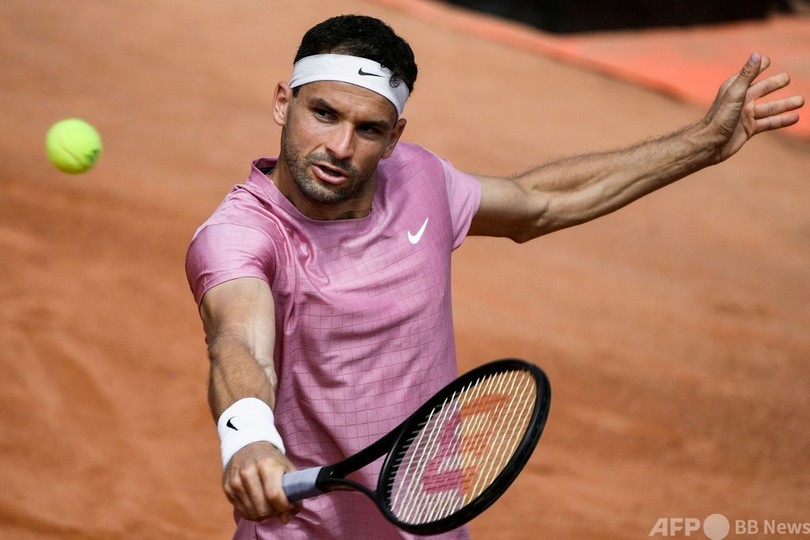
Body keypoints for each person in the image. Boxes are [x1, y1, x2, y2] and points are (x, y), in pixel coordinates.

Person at [185, 14, 803, 540]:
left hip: (431, 522)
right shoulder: (240, 235)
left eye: (368, 128)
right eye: (323, 113)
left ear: (395, 137)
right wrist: (249, 438)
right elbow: (238, 341)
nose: (341, 147)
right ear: (283, 103)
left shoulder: (421, 180)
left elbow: (540, 202)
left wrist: (703, 142)